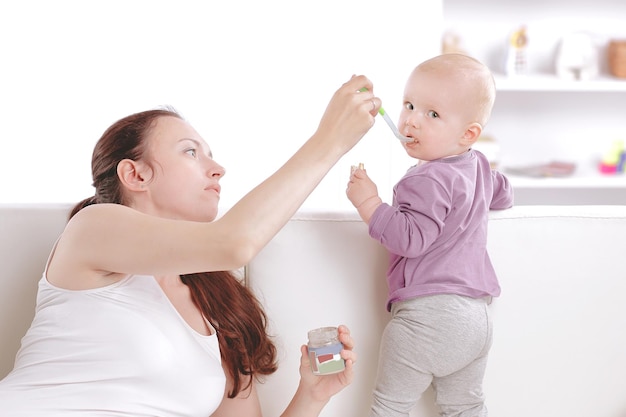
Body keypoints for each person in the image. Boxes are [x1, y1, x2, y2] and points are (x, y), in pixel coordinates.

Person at [0, 74, 382, 417]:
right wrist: (330, 140)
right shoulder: (93, 229)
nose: (217, 169)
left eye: (210, 155)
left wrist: (312, 395)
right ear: (135, 174)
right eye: (190, 152)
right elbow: (235, 242)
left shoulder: (220, 312)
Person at [346, 54, 514, 417]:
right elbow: (504, 192)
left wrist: (369, 202)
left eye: (432, 114)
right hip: (477, 320)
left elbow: (410, 238)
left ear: (468, 133)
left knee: (390, 406)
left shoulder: (424, 178)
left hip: (429, 316)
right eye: (409, 105)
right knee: (466, 406)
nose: (411, 120)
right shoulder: (479, 167)